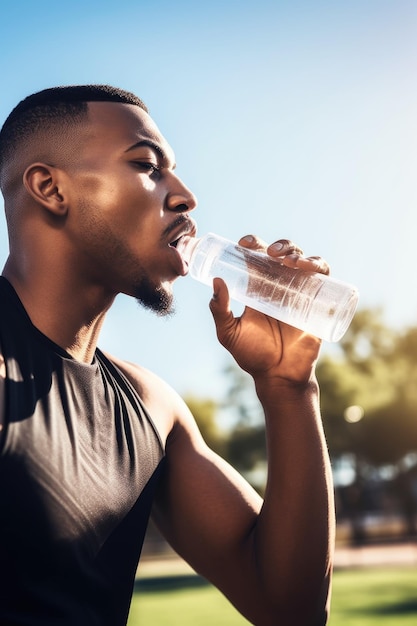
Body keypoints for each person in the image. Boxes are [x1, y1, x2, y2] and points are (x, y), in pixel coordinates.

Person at [0, 85, 335, 626]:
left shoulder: (151, 407)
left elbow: (291, 609)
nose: (184, 196)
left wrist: (288, 388)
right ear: (49, 188)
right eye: (148, 166)